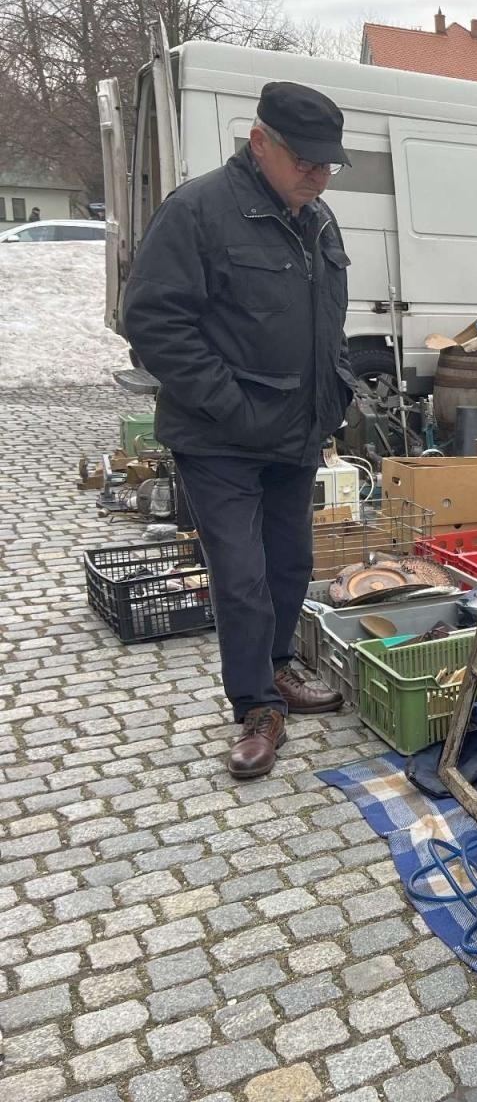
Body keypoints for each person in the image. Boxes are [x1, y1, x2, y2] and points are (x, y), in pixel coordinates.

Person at [123, 82, 357, 780]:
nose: (317, 175)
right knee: (243, 576)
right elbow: (155, 322)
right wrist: (229, 404)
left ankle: (280, 668)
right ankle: (256, 705)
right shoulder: (197, 211)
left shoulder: (319, 220)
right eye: (304, 161)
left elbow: (328, 322)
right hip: (220, 437)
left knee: (290, 566)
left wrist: (334, 388)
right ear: (260, 143)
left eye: (327, 164)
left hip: (295, 431)